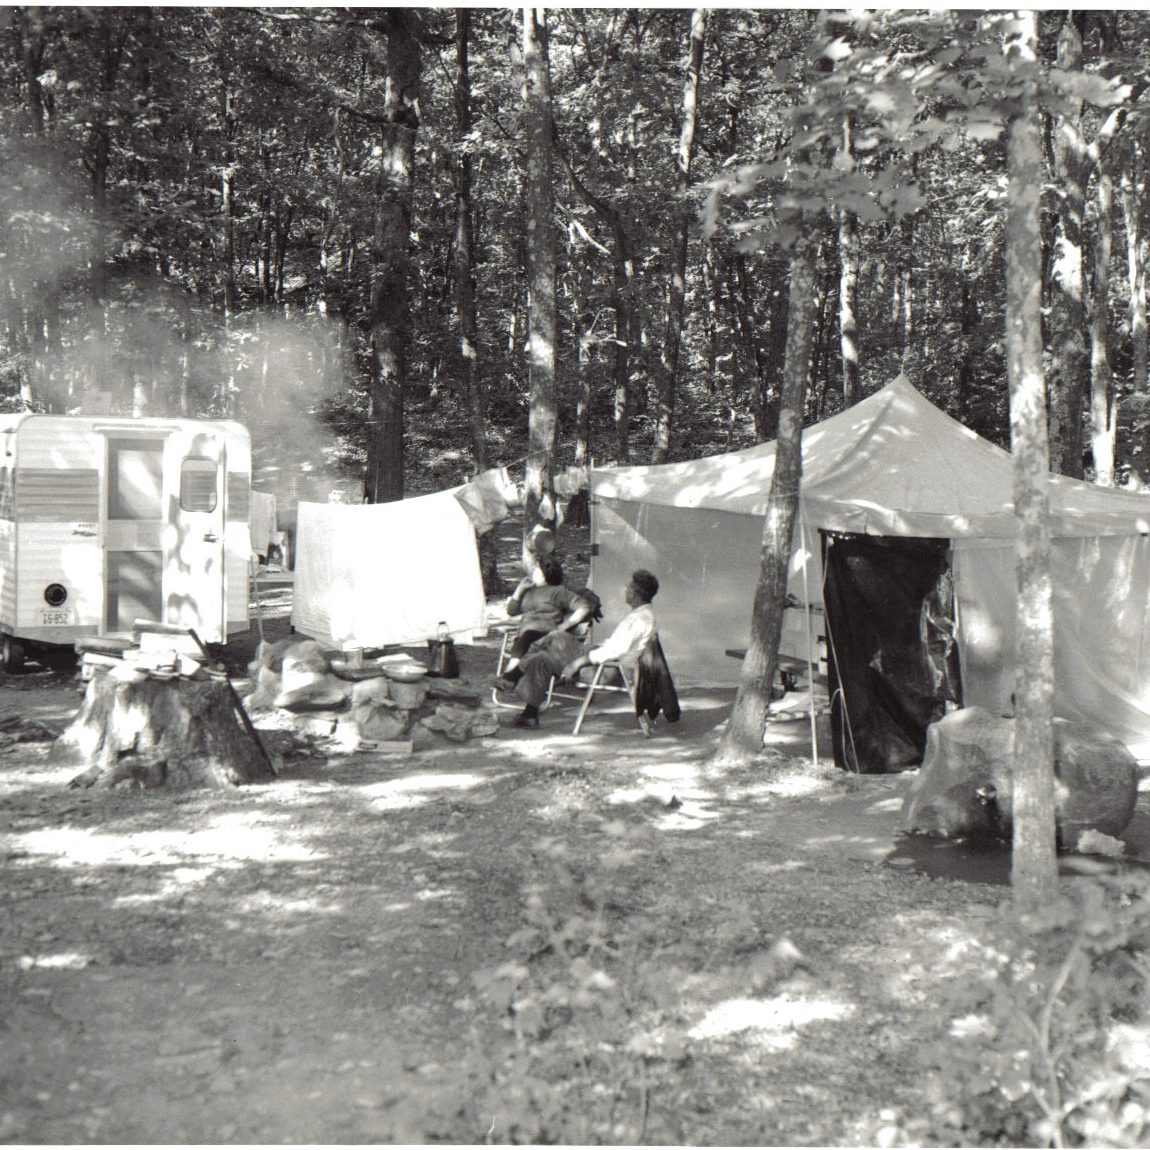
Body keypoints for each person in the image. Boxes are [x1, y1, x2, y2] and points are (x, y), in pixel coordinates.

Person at [508, 568, 659, 729]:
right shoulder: (643, 615)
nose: (625, 589)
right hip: (607, 664)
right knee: (544, 655)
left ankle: (514, 674)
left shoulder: (638, 620)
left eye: (628, 586)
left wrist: (576, 664)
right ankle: (529, 714)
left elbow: (613, 651)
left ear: (636, 593)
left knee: (554, 638)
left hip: (607, 671)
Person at [497, 553, 592, 687]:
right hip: (525, 638)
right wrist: (519, 590)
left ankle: (509, 676)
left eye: (536, 568)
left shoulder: (558, 591)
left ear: (544, 572)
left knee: (527, 636)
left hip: (546, 636)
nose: (532, 572)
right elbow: (511, 611)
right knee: (524, 638)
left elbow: (584, 607)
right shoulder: (529, 591)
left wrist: (565, 626)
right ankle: (510, 677)